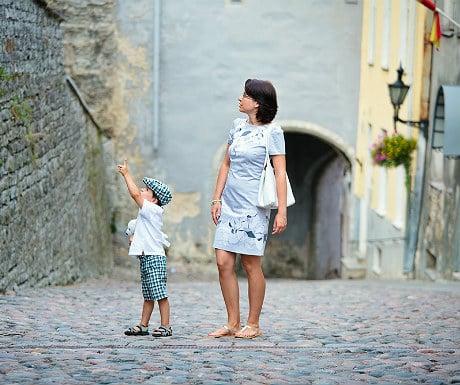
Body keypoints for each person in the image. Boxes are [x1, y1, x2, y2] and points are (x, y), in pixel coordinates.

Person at [209, 79, 288, 339]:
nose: (239, 99)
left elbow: (280, 173)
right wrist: (217, 199)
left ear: (257, 102)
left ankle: (253, 324)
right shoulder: (236, 127)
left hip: (254, 206)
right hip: (230, 202)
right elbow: (226, 164)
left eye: (244, 95)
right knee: (223, 262)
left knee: (251, 264)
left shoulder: (273, 132)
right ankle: (233, 322)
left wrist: (282, 210)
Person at [117, 160, 173, 337]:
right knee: (148, 294)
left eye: (146, 190)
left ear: (154, 199)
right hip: (146, 257)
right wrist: (134, 237)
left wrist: (127, 174)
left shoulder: (153, 210)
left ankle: (166, 326)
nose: (142, 190)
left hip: (155, 258)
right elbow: (145, 230)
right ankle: (143, 325)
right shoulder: (146, 212)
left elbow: (134, 194)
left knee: (160, 293)